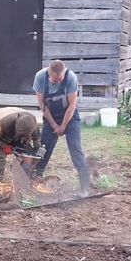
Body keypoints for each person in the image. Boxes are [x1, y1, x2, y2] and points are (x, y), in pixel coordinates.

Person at [33, 59, 90, 197]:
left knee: (76, 150)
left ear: (64, 73)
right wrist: (53, 125)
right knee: (43, 149)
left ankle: (85, 188)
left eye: (60, 79)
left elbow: (72, 106)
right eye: (55, 79)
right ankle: (33, 180)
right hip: (51, 115)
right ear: (49, 73)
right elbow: (42, 104)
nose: (58, 81)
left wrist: (63, 126)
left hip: (70, 117)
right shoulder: (40, 77)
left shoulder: (71, 77)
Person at [0, 106, 41, 197]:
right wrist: (4, 146)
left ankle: (24, 181)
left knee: (28, 156)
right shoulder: (2, 123)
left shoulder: (32, 124)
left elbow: (37, 141)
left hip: (17, 137)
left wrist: (36, 154)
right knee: (0, 160)